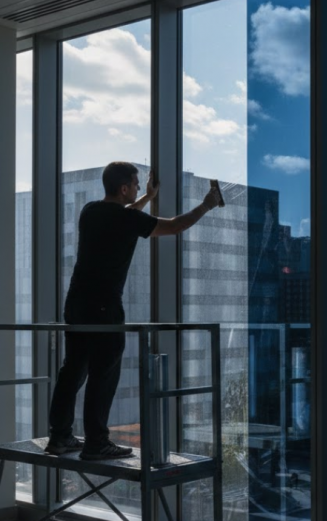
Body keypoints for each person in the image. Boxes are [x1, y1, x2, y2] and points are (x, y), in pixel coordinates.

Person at [45, 162, 222, 460]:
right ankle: (97, 442)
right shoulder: (125, 219)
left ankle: (59, 437)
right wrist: (206, 205)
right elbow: (176, 225)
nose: (140, 188)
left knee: (73, 369)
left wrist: (147, 198)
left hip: (76, 303)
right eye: (137, 184)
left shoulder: (90, 211)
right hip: (104, 307)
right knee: (103, 374)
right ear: (124, 188)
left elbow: (124, 216)